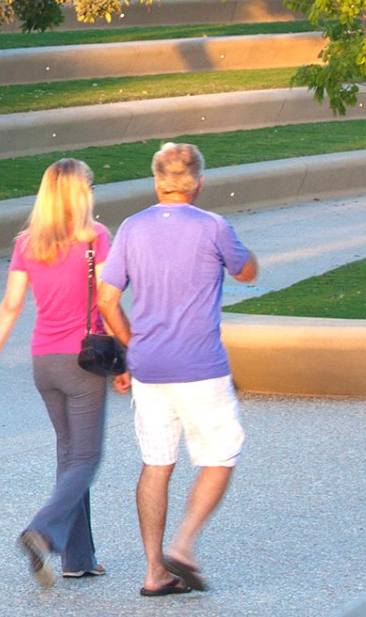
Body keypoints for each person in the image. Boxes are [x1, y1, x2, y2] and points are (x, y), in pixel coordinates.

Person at [97, 143, 259, 597]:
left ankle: (154, 572)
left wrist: (133, 346)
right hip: (200, 364)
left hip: (149, 367)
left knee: (156, 463)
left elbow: (107, 300)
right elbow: (246, 272)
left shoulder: (131, 227)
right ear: (199, 183)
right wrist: (245, 256)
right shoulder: (214, 226)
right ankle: (183, 546)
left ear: (156, 182)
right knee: (222, 453)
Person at [0, 159, 113, 587]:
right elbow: (107, 300)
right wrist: (126, 354)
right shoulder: (95, 238)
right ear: (80, 193)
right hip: (82, 362)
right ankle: (42, 531)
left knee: (69, 454)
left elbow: (11, 305)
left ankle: (78, 558)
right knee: (86, 458)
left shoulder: (27, 242)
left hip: (43, 361)